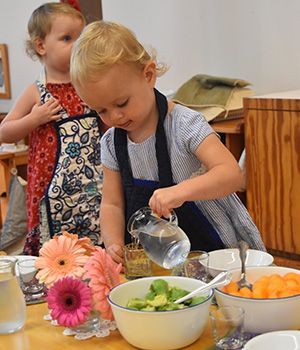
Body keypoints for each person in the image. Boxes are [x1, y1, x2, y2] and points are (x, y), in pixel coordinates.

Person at [70, 21, 266, 265]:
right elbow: (112, 203)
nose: (114, 117)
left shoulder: (183, 124)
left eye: (121, 103)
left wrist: (179, 192)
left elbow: (231, 175)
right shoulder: (111, 143)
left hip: (216, 254)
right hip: (160, 262)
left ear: (148, 75)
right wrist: (112, 242)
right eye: (101, 111)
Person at [0, 3, 104, 256]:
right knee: (55, 252)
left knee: (93, 243)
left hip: (93, 185)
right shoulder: (37, 90)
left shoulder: (88, 84)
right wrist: (34, 118)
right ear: (41, 46)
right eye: (67, 38)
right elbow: (5, 131)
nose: (77, 45)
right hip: (49, 189)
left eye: (81, 38)